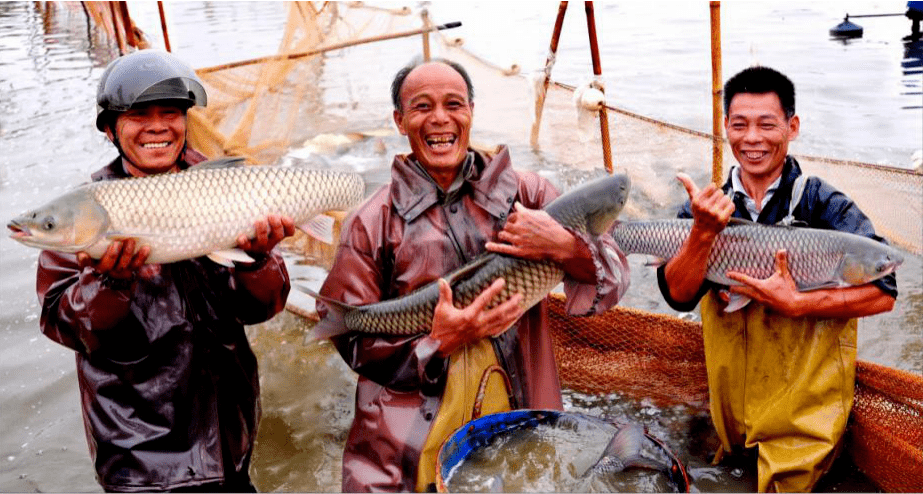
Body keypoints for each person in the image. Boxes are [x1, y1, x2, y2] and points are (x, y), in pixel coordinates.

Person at [316, 58, 630, 492]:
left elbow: (614, 281)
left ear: (471, 112)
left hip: (521, 424)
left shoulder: (530, 195)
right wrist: (436, 344)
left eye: (453, 104)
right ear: (399, 121)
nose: (440, 118)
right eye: (422, 107)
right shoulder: (371, 222)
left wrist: (563, 246)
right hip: (404, 449)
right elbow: (348, 338)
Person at [36, 50, 295, 493]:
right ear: (110, 129)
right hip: (140, 462)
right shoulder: (82, 214)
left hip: (230, 442)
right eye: (139, 114)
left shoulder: (227, 188)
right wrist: (109, 282)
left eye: (170, 113)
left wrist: (258, 259)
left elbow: (263, 308)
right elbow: (66, 326)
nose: (158, 126)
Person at [657, 66, 898, 492]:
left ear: (792, 127)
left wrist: (800, 304)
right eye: (739, 124)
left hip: (804, 413)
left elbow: (883, 293)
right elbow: (678, 296)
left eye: (767, 124)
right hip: (730, 407)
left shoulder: (822, 203)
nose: (752, 139)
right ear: (725, 127)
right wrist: (701, 234)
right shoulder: (708, 206)